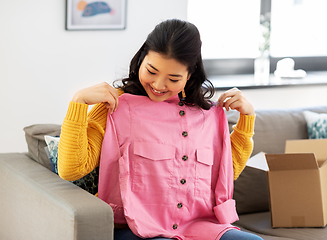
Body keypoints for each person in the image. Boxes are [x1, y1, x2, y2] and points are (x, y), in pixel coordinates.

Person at [58, 19, 261, 240]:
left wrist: (246, 120)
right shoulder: (115, 106)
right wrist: (78, 103)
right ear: (141, 59)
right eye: (151, 71)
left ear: (190, 75)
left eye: (173, 78)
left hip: (196, 225)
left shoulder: (205, 114)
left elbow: (225, 174)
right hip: (133, 225)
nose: (158, 85)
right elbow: (71, 169)